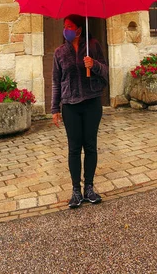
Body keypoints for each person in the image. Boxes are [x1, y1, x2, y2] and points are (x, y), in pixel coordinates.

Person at [51, 14, 109, 209]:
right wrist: (54, 108)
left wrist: (94, 65)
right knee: (74, 148)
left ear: (78, 30)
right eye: (64, 26)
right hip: (70, 105)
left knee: (90, 146)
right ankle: (76, 190)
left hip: (92, 102)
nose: (65, 29)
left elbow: (106, 71)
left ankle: (89, 188)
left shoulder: (93, 46)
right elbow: (56, 82)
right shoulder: (59, 52)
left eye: (69, 26)